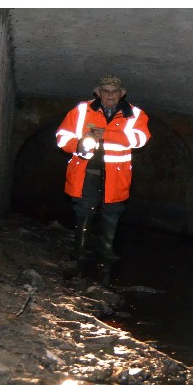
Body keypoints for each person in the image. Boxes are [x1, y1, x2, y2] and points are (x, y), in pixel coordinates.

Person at [55, 74, 151, 285]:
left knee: (113, 210)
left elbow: (141, 139)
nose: (110, 96)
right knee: (84, 208)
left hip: (116, 172)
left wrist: (107, 134)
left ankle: (105, 249)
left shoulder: (135, 114)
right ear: (97, 93)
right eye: (105, 91)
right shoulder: (81, 111)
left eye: (114, 92)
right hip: (87, 170)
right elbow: (62, 137)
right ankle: (79, 249)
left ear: (122, 94)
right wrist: (78, 144)